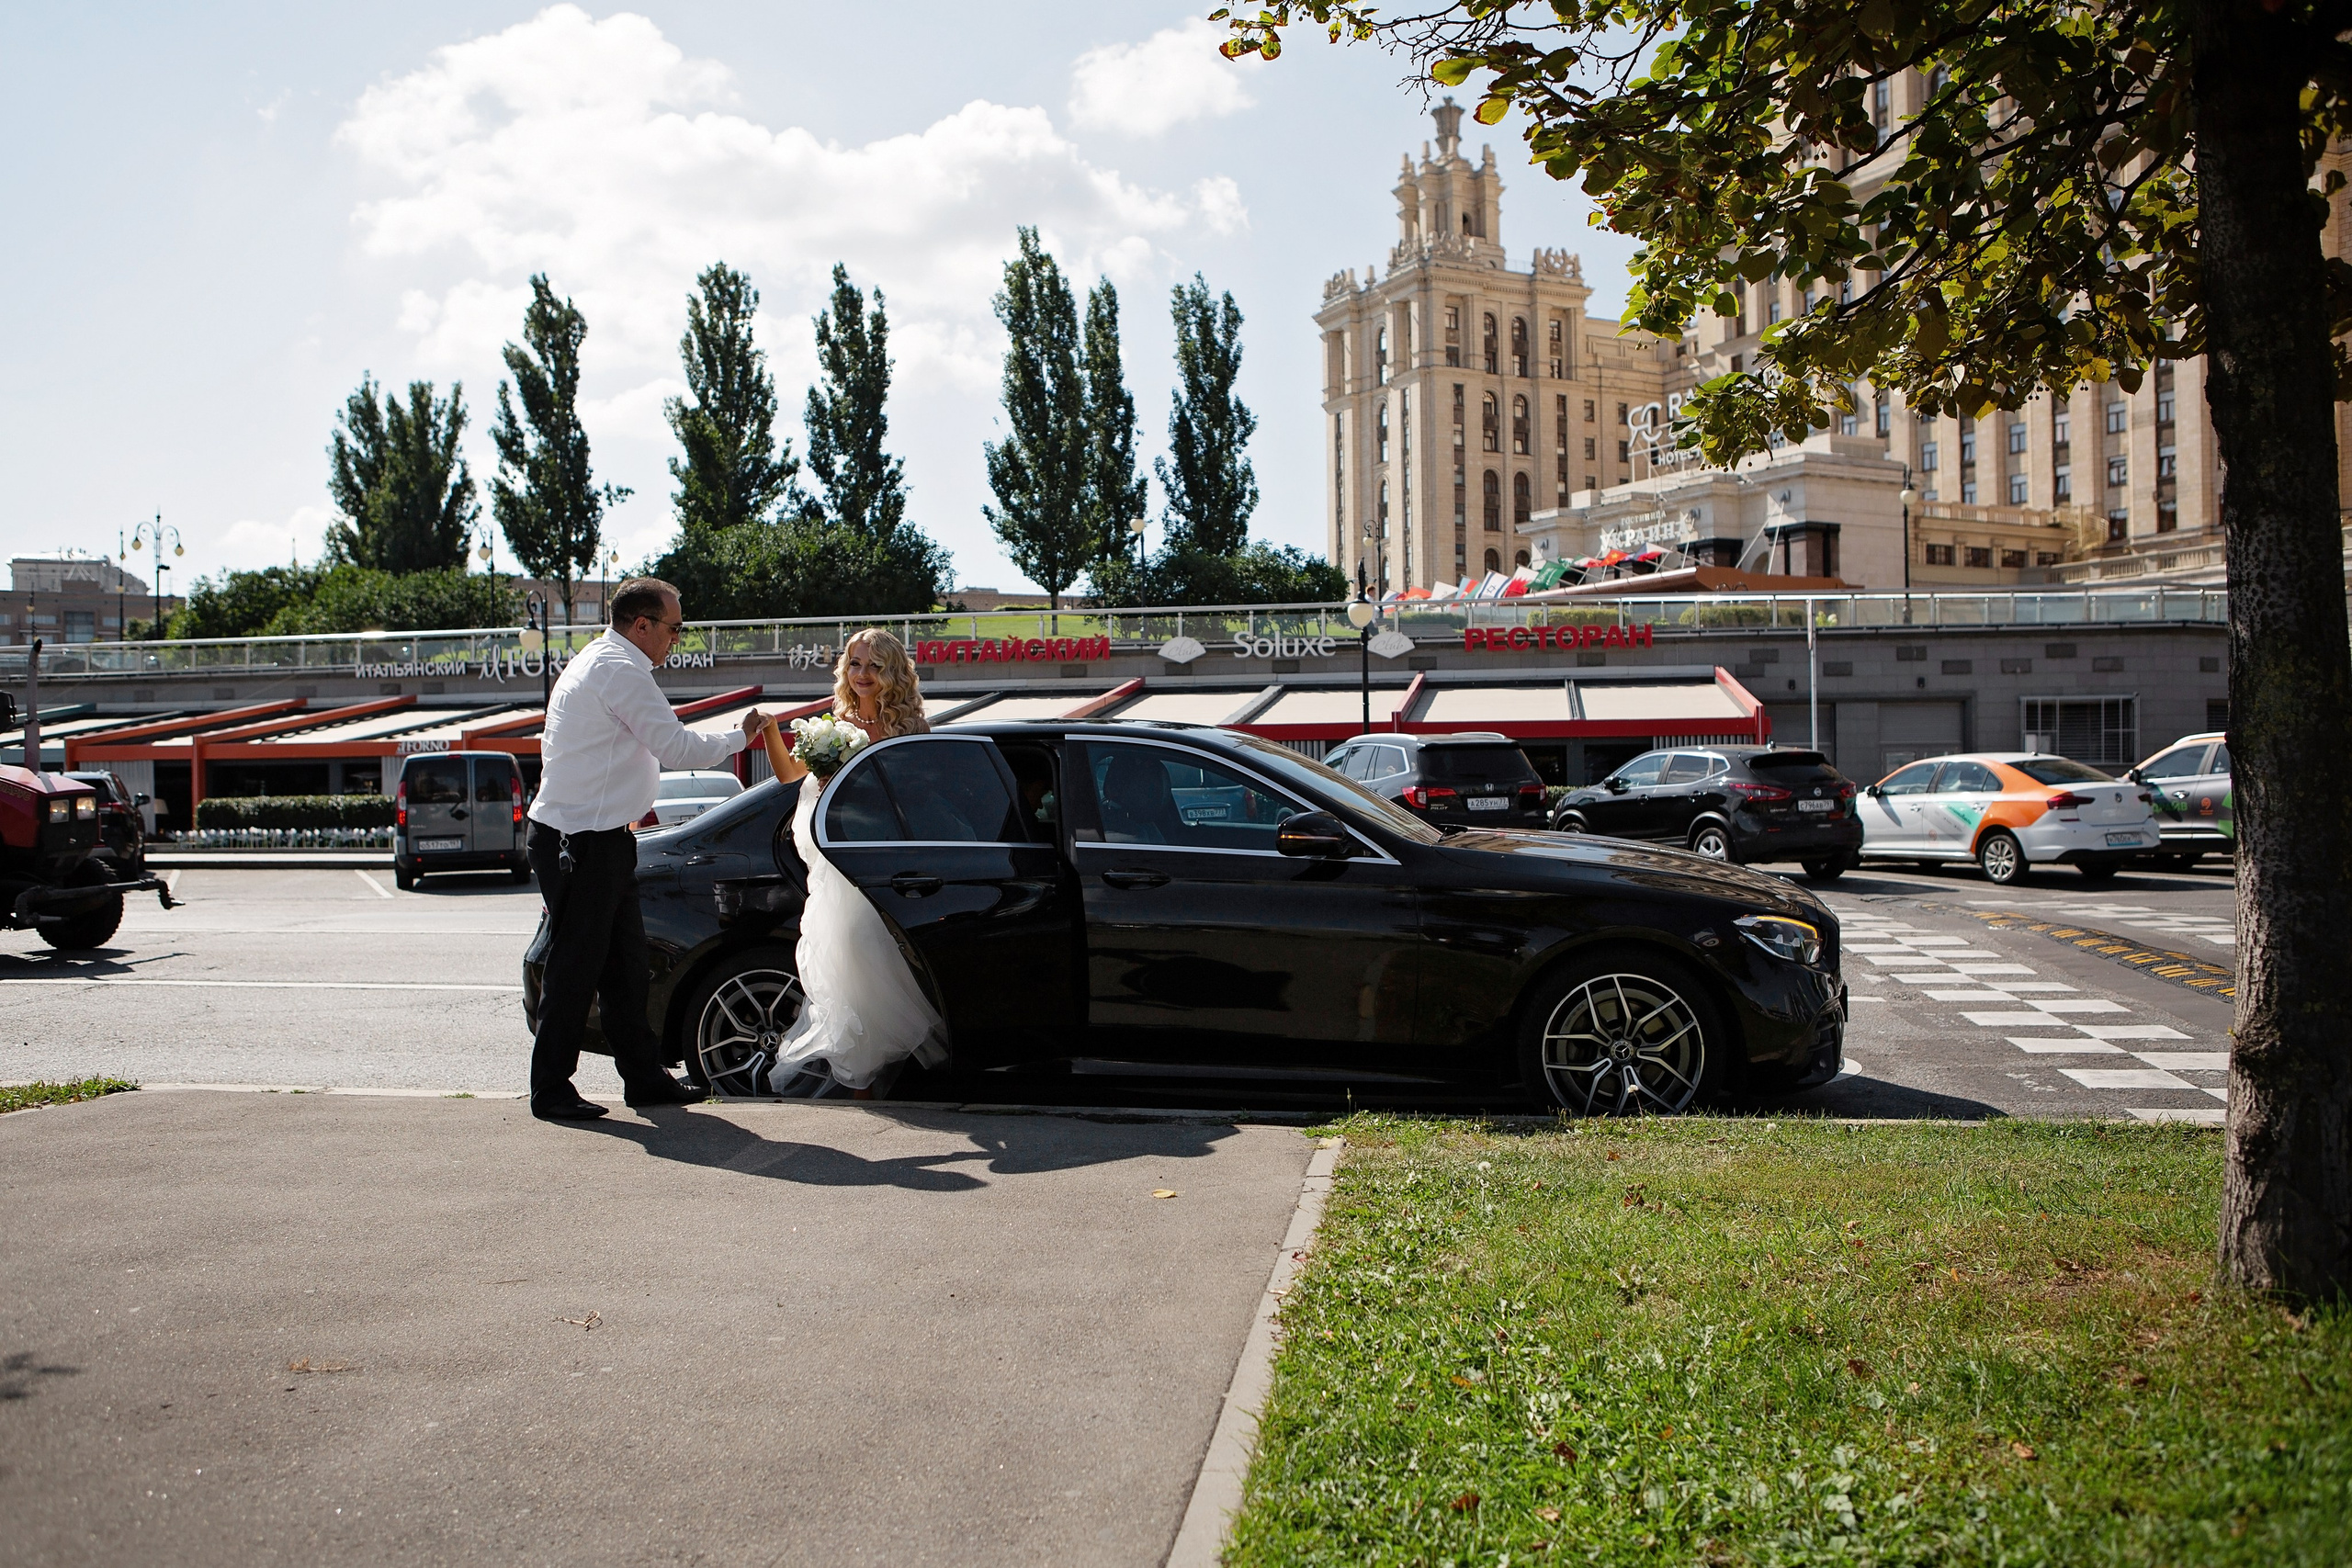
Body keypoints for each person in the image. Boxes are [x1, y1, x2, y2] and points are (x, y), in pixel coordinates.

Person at [526, 577, 768, 1121]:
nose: (676, 640)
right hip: (582, 840)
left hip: (595, 837)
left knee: (624, 968)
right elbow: (676, 746)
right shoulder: (619, 670)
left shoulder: (606, 661)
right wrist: (739, 736)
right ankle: (551, 1089)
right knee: (578, 965)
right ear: (642, 626)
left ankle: (643, 1079)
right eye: (674, 628)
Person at [757, 627, 944, 1097]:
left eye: (875, 666)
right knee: (847, 963)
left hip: (890, 861)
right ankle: (863, 1078)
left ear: (893, 673)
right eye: (856, 664)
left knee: (884, 960)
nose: (863, 674)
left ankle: (889, 1074)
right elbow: (786, 774)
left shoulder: (912, 729)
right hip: (839, 864)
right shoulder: (832, 727)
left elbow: (923, 798)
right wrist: (769, 732)